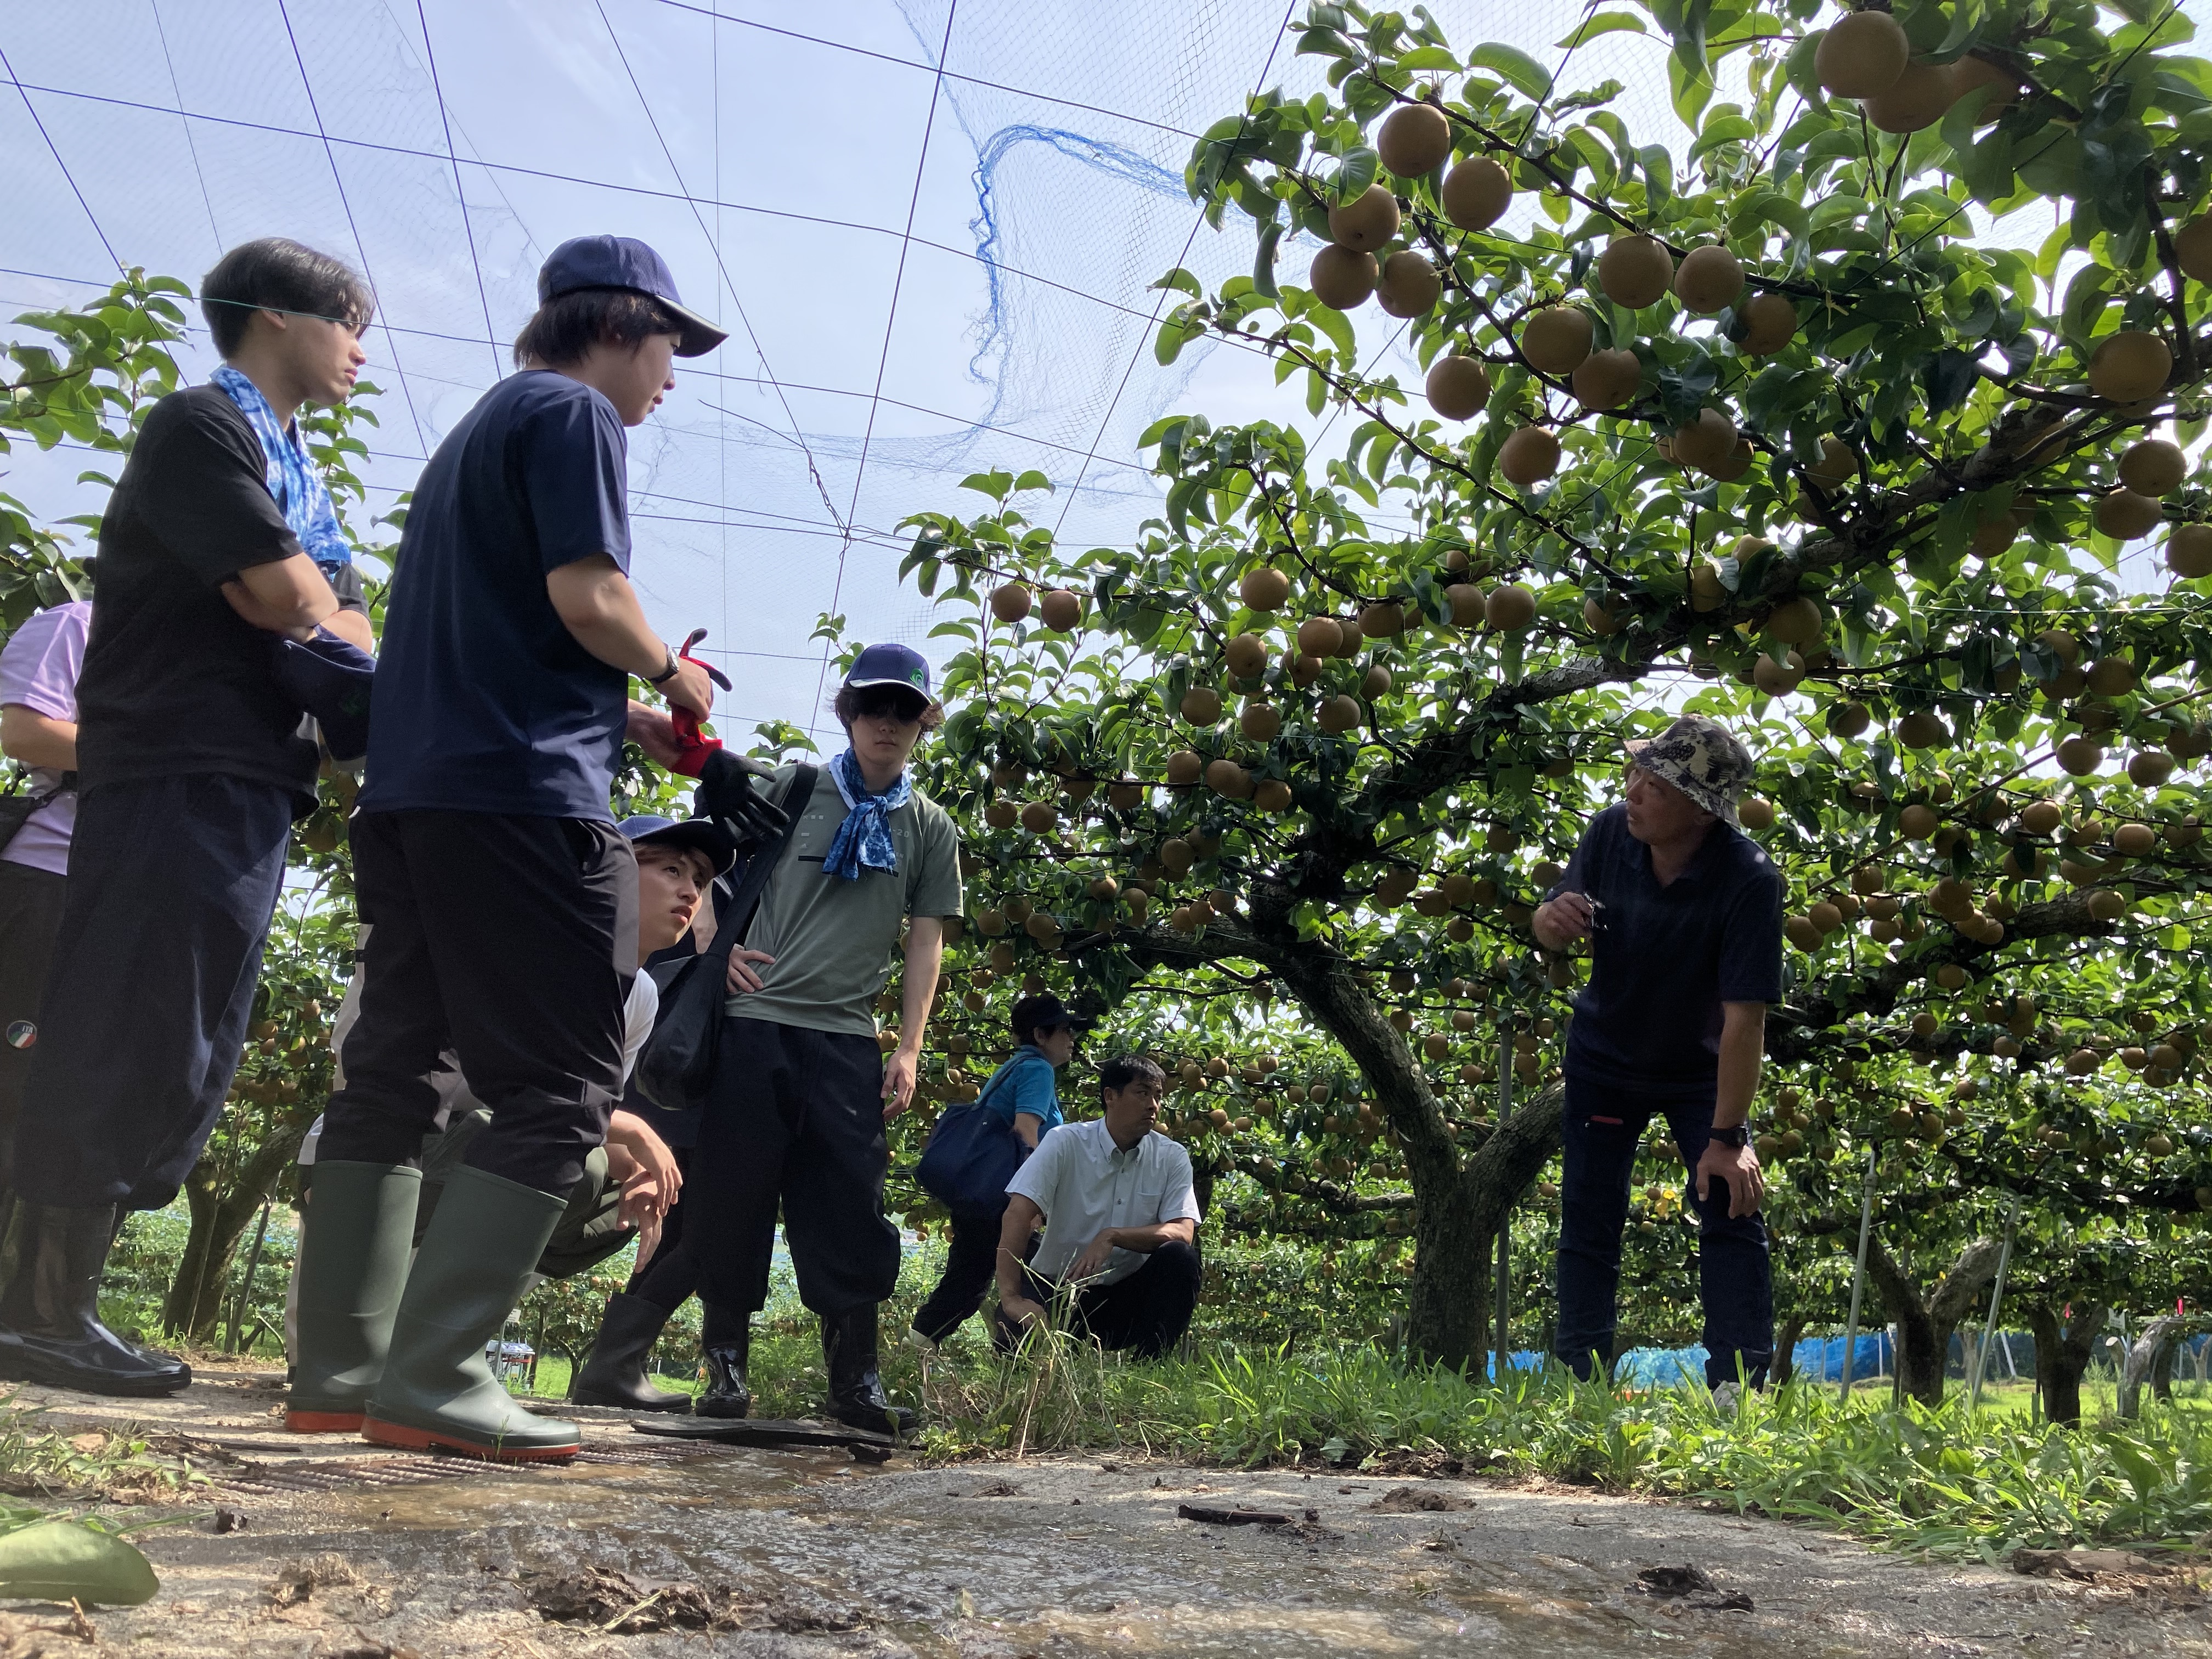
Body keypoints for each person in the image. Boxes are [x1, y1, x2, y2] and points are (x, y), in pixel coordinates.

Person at [289, 234, 727, 1463]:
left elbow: (505, 629)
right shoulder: (577, 418)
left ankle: (342, 1369)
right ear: (621, 324)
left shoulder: (474, 435)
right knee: (561, 1084)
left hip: (417, 797)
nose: (670, 382)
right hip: (525, 806)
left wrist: (619, 713)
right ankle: (437, 1373)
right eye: (669, 352)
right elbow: (590, 597)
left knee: (397, 1069)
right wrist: (673, 674)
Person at [0, 240, 377, 1397]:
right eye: (348, 322)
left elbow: (347, 623)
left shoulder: (290, 468)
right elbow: (282, 594)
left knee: (191, 1039)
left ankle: (67, 1305)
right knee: (128, 1020)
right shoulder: (198, 430)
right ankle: (38, 1309)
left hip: (253, 786)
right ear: (276, 318)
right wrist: (313, 606)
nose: (361, 349)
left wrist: (315, 607)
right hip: (173, 770)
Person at [285, 812, 725, 1427]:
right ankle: (381, 1344)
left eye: (700, 880)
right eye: (670, 868)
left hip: (468, 1153)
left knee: (600, 1172)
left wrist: (642, 1174)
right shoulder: (517, 942)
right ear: (605, 871)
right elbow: (391, 1073)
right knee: (558, 1140)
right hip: (397, 1146)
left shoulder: (640, 996)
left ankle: (437, 1348)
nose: (689, 892)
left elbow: (584, 1121)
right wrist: (636, 1131)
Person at [684, 642, 962, 1434]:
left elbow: (925, 940)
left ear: (923, 723)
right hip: (754, 1023)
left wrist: (908, 1046)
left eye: (904, 710)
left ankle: (855, 1380)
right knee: (733, 1194)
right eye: (873, 706)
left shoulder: (930, 827)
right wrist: (713, 949)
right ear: (847, 714)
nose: (887, 723)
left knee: (849, 1204)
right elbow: (700, 852)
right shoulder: (792, 786)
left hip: (846, 1039)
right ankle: (725, 1366)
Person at [1531, 713, 1783, 1396]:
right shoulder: (1614, 832)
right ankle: (1580, 1380)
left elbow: (1744, 1020)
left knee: (1731, 1204)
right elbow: (1554, 916)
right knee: (1589, 1214)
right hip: (1606, 1061)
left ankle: (1740, 1385)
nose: (1633, 790)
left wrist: (1728, 1136)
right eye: (1636, 773)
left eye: (1656, 785)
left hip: (1700, 1071)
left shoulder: (1750, 881)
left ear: (1702, 812)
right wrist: (1548, 921)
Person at [997, 1055, 1202, 1360]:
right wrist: (1011, 1298)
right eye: (1142, 1093)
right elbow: (1017, 1213)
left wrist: (1113, 1236)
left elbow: (1183, 1231)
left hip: (1125, 1299)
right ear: (1110, 1096)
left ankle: (1151, 1366)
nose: (1153, 1105)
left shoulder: (1171, 1157)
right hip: (1056, 1291)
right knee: (1014, 1361)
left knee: (1181, 1256)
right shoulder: (1065, 1142)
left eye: (1158, 1096)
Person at [909, 993, 1078, 1348]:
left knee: (967, 1280)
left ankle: (916, 1346)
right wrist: (1031, 1202)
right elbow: (1026, 1133)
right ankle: (1017, 1359)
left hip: (981, 1195)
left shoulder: (1015, 1066)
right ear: (1041, 1035)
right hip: (1004, 1198)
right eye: (1065, 1030)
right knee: (1038, 1276)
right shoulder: (1037, 1069)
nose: (1072, 1039)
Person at [0, 597, 91, 1207]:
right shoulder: (80, 622)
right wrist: (164, 755)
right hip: (47, 882)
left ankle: (36, 1290)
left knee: (74, 1101)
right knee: (12, 1082)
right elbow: (25, 731)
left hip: (134, 899)